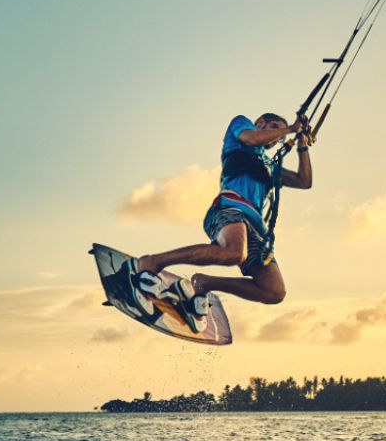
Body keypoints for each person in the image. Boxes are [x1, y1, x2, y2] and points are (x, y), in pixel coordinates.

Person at [128, 112, 312, 331]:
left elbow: (304, 181)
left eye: (277, 134)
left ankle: (205, 283)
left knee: (274, 291)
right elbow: (250, 138)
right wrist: (290, 129)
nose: (274, 135)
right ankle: (152, 262)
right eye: (271, 127)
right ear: (260, 123)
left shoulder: (271, 167)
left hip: (256, 228)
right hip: (229, 208)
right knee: (234, 253)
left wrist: (302, 145)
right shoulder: (241, 127)